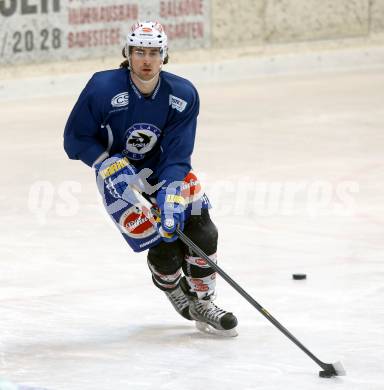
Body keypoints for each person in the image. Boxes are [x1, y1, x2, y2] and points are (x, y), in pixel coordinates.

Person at [63, 21, 238, 336]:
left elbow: (178, 153)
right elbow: (75, 139)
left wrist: (171, 192)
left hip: (162, 170)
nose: (146, 60)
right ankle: (171, 285)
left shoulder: (182, 94)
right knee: (164, 246)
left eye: (154, 52)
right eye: (139, 51)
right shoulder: (102, 88)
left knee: (202, 228)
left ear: (164, 55)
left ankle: (203, 301)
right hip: (117, 174)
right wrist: (103, 161)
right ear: (127, 53)